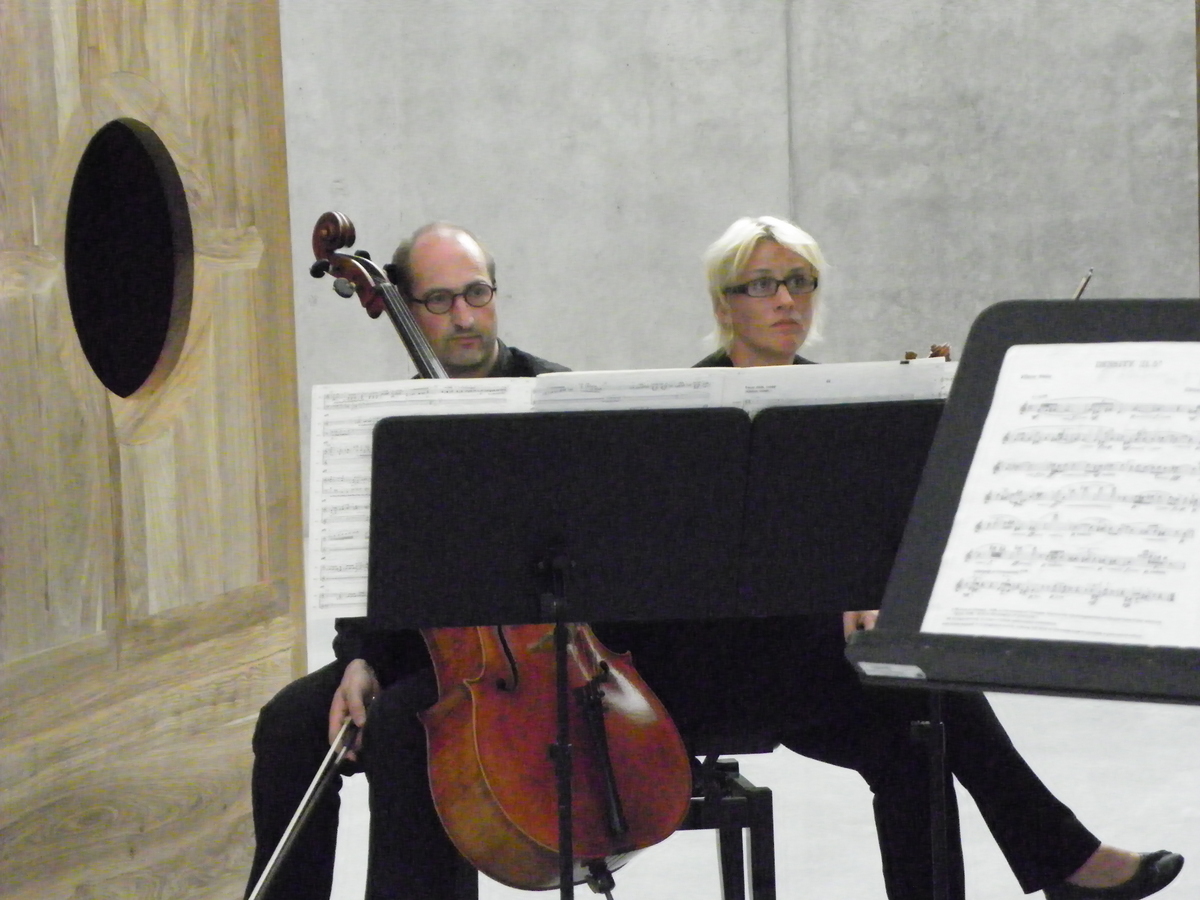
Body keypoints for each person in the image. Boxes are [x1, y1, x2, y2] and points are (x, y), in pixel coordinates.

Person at [599, 215, 1184, 900]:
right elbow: (690, 571)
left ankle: (1061, 858)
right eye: (762, 285)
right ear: (723, 304)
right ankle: (1065, 857)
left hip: (810, 665)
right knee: (922, 681)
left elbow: (871, 528)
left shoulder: (837, 401)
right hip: (708, 669)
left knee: (916, 740)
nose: (786, 300)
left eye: (800, 281)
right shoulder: (693, 410)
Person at [244, 222, 567, 900]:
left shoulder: (555, 399)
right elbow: (362, 570)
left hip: (541, 662)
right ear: (408, 310)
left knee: (403, 728)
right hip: (421, 652)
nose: (464, 317)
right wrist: (359, 658)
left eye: (476, 293)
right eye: (440, 300)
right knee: (289, 725)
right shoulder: (391, 423)